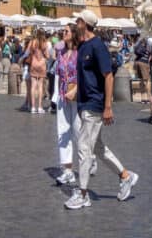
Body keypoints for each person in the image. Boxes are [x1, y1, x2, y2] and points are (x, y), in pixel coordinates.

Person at [64, 10, 138, 211]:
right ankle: (125, 176)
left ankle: (83, 193)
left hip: (95, 104)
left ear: (84, 24)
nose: (75, 21)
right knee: (97, 148)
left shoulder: (97, 46)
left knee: (83, 148)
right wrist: (76, 92)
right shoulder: (84, 45)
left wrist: (107, 107)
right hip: (84, 103)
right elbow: (86, 76)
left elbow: (108, 76)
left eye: (78, 20)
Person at [54, 23, 87, 186]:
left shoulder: (79, 52)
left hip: (77, 95)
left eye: (66, 31)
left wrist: (76, 89)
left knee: (77, 130)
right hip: (62, 95)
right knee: (62, 132)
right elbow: (58, 75)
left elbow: (85, 74)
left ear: (73, 34)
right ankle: (67, 170)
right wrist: (56, 96)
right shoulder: (61, 51)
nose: (63, 33)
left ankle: (88, 160)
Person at [133, 34, 151, 103]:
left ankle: (143, 98)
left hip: (138, 62)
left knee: (141, 81)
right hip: (144, 63)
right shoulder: (148, 46)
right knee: (147, 81)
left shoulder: (139, 45)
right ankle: (149, 98)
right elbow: (150, 55)